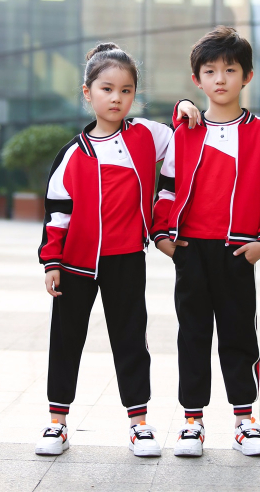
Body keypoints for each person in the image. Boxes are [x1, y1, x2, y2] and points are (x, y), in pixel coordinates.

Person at [35, 43, 200, 457]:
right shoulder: (72, 154)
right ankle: (57, 423)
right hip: (75, 263)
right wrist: (51, 262)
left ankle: (139, 424)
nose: (116, 98)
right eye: (107, 89)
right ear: (87, 92)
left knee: (130, 340)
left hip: (126, 258)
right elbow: (57, 214)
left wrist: (183, 106)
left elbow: (184, 137)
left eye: (126, 90)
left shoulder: (145, 134)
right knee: (66, 340)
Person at [152, 26, 260, 457]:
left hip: (237, 250)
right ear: (197, 80)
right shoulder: (185, 131)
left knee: (239, 335)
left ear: (247, 76)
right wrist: (162, 236)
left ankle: (245, 421)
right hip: (191, 250)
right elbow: (166, 189)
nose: (220, 79)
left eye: (230, 70)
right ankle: (191, 423)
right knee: (192, 335)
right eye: (210, 71)